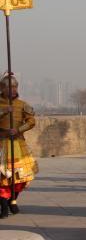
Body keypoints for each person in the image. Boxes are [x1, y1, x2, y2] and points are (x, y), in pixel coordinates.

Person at [0, 72, 38, 219]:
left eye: (15, 87)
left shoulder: (22, 105)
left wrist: (18, 129)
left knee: (21, 177)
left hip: (17, 143)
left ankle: (12, 200)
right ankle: (3, 204)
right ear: (2, 88)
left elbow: (31, 121)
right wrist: (3, 111)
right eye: (9, 87)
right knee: (3, 176)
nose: (13, 90)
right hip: (1, 142)